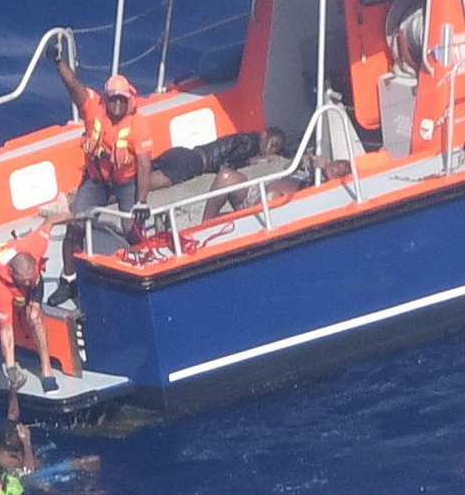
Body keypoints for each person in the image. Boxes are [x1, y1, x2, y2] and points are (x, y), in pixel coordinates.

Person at [45, 41, 155, 307]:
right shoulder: (93, 108)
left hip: (126, 182)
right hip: (96, 180)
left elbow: (144, 164)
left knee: (132, 228)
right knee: (75, 227)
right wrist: (58, 61)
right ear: (106, 98)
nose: (116, 103)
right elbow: (74, 86)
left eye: (121, 99)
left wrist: (141, 201)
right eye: (112, 98)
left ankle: (148, 267)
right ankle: (68, 280)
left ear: (128, 99)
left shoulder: (138, 125)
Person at [0, 212, 70, 393]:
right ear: (13, 274)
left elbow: (50, 221)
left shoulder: (35, 245)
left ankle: (47, 371)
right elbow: (6, 330)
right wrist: (10, 368)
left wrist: (78, 215)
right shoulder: (0, 284)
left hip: (30, 281)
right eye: (24, 281)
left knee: (35, 317)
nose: (27, 283)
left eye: (29, 278)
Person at [201, 154, 353, 222]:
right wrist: (303, 161)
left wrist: (325, 174)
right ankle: (205, 224)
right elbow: (287, 167)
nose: (339, 167)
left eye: (343, 170)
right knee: (227, 176)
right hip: (256, 194)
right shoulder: (312, 171)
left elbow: (319, 202)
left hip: (273, 208)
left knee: (272, 197)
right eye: (339, 163)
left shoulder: (326, 190)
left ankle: (236, 222)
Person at [149, 128, 287, 190]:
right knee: (144, 185)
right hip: (194, 162)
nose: (272, 150)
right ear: (264, 135)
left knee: (139, 176)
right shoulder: (250, 144)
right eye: (273, 144)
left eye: (276, 149)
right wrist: (250, 162)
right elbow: (224, 165)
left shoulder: (246, 139)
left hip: (185, 154)